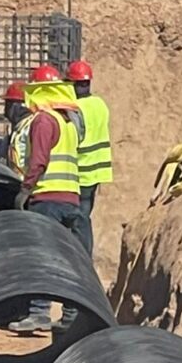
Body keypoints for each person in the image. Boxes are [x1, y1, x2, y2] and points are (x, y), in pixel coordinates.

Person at [9, 64, 83, 335]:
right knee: (65, 257)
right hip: (71, 198)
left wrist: (26, 189)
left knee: (41, 255)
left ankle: (39, 312)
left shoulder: (44, 120)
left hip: (47, 197)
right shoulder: (68, 122)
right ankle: (71, 313)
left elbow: (39, 159)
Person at [67, 60, 113, 256]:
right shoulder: (100, 104)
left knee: (77, 219)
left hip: (81, 170)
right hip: (97, 170)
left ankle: (78, 255)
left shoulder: (75, 107)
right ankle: (85, 254)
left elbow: (75, 135)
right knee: (85, 216)